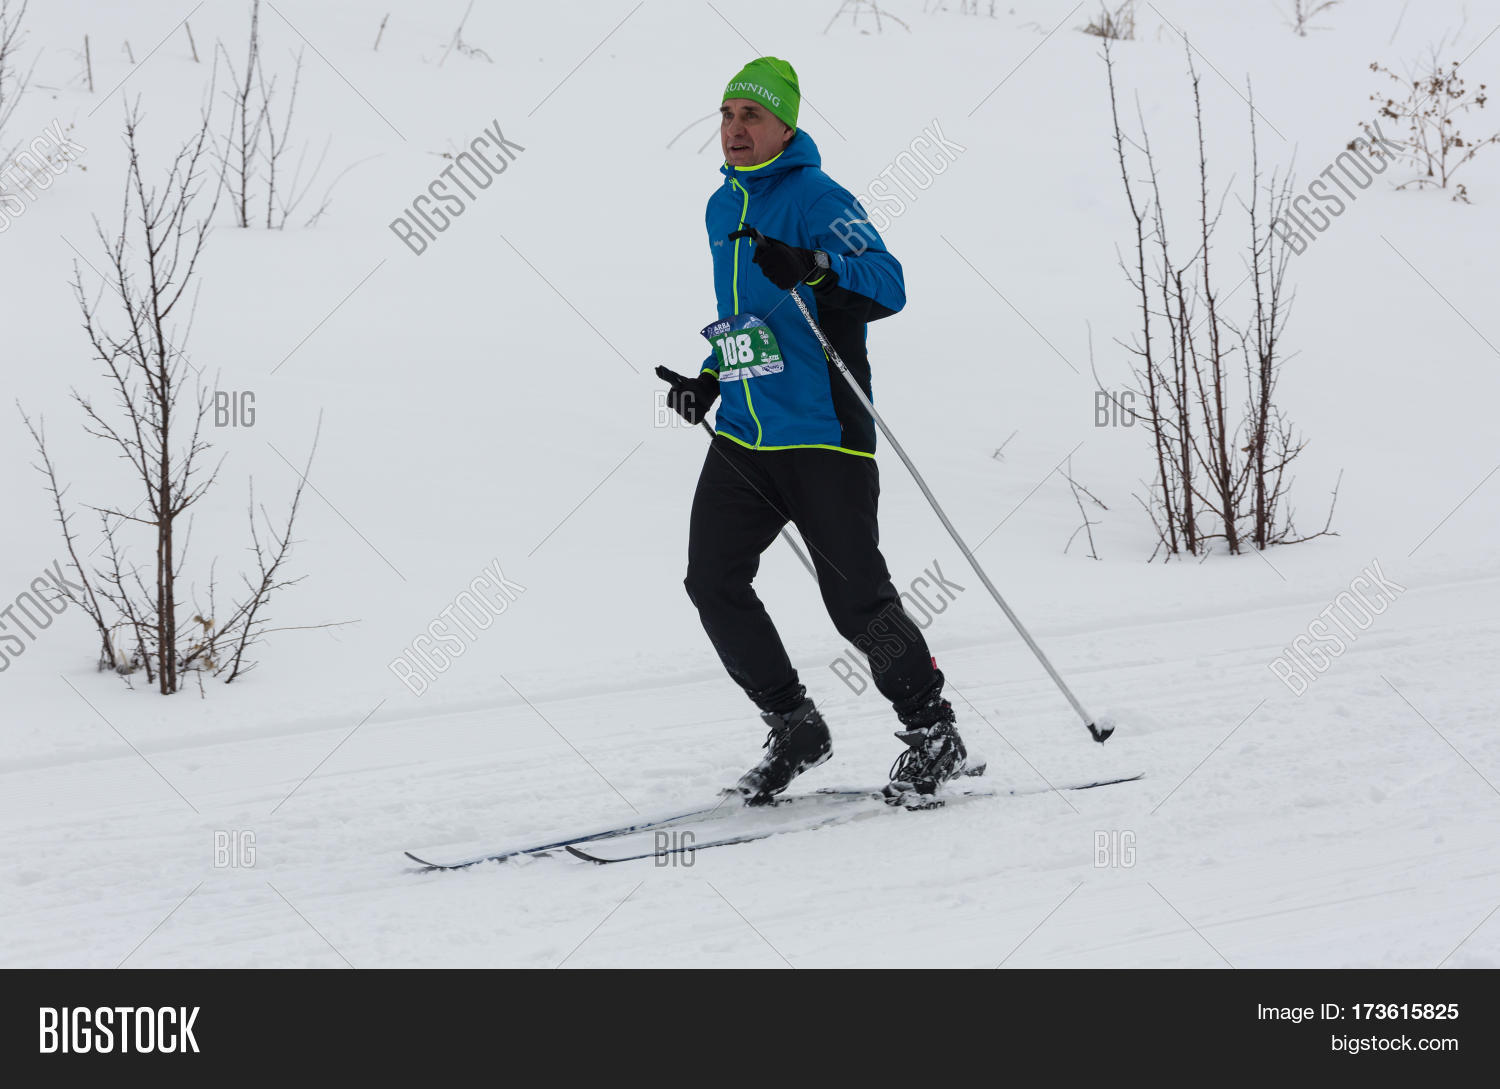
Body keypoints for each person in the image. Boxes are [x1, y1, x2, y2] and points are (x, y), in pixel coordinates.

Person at [656, 57, 973, 808]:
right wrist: (709, 377)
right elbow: (750, 317)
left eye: (751, 117)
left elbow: (888, 284)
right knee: (712, 581)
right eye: (728, 115)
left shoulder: (818, 196)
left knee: (858, 603)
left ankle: (934, 730)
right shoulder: (718, 207)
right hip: (746, 432)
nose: (735, 129)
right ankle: (795, 724)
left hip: (824, 431)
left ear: (785, 127)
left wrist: (817, 265)